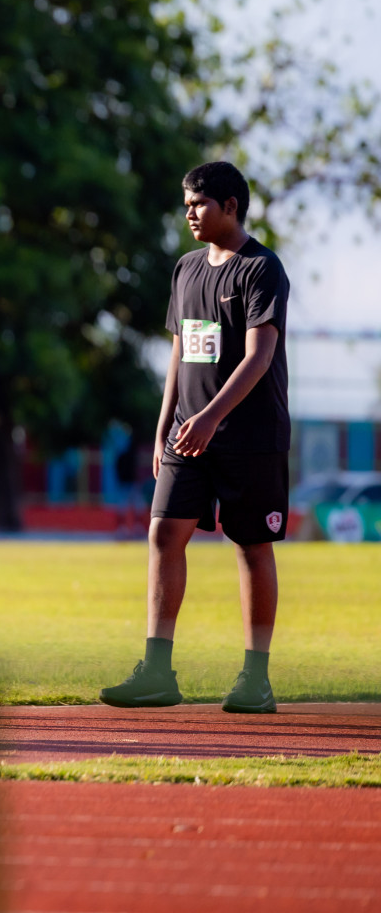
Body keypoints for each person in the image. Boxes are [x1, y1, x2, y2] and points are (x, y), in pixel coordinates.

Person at [101, 161, 290, 714]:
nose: (189, 213)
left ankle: (256, 678)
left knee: (251, 546)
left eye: (199, 203)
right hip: (188, 435)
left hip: (250, 436)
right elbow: (181, 351)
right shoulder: (186, 269)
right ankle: (157, 672)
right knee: (163, 534)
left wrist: (209, 417)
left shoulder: (261, 268)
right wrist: (166, 424)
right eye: (186, 204)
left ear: (230, 206)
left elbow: (259, 357)